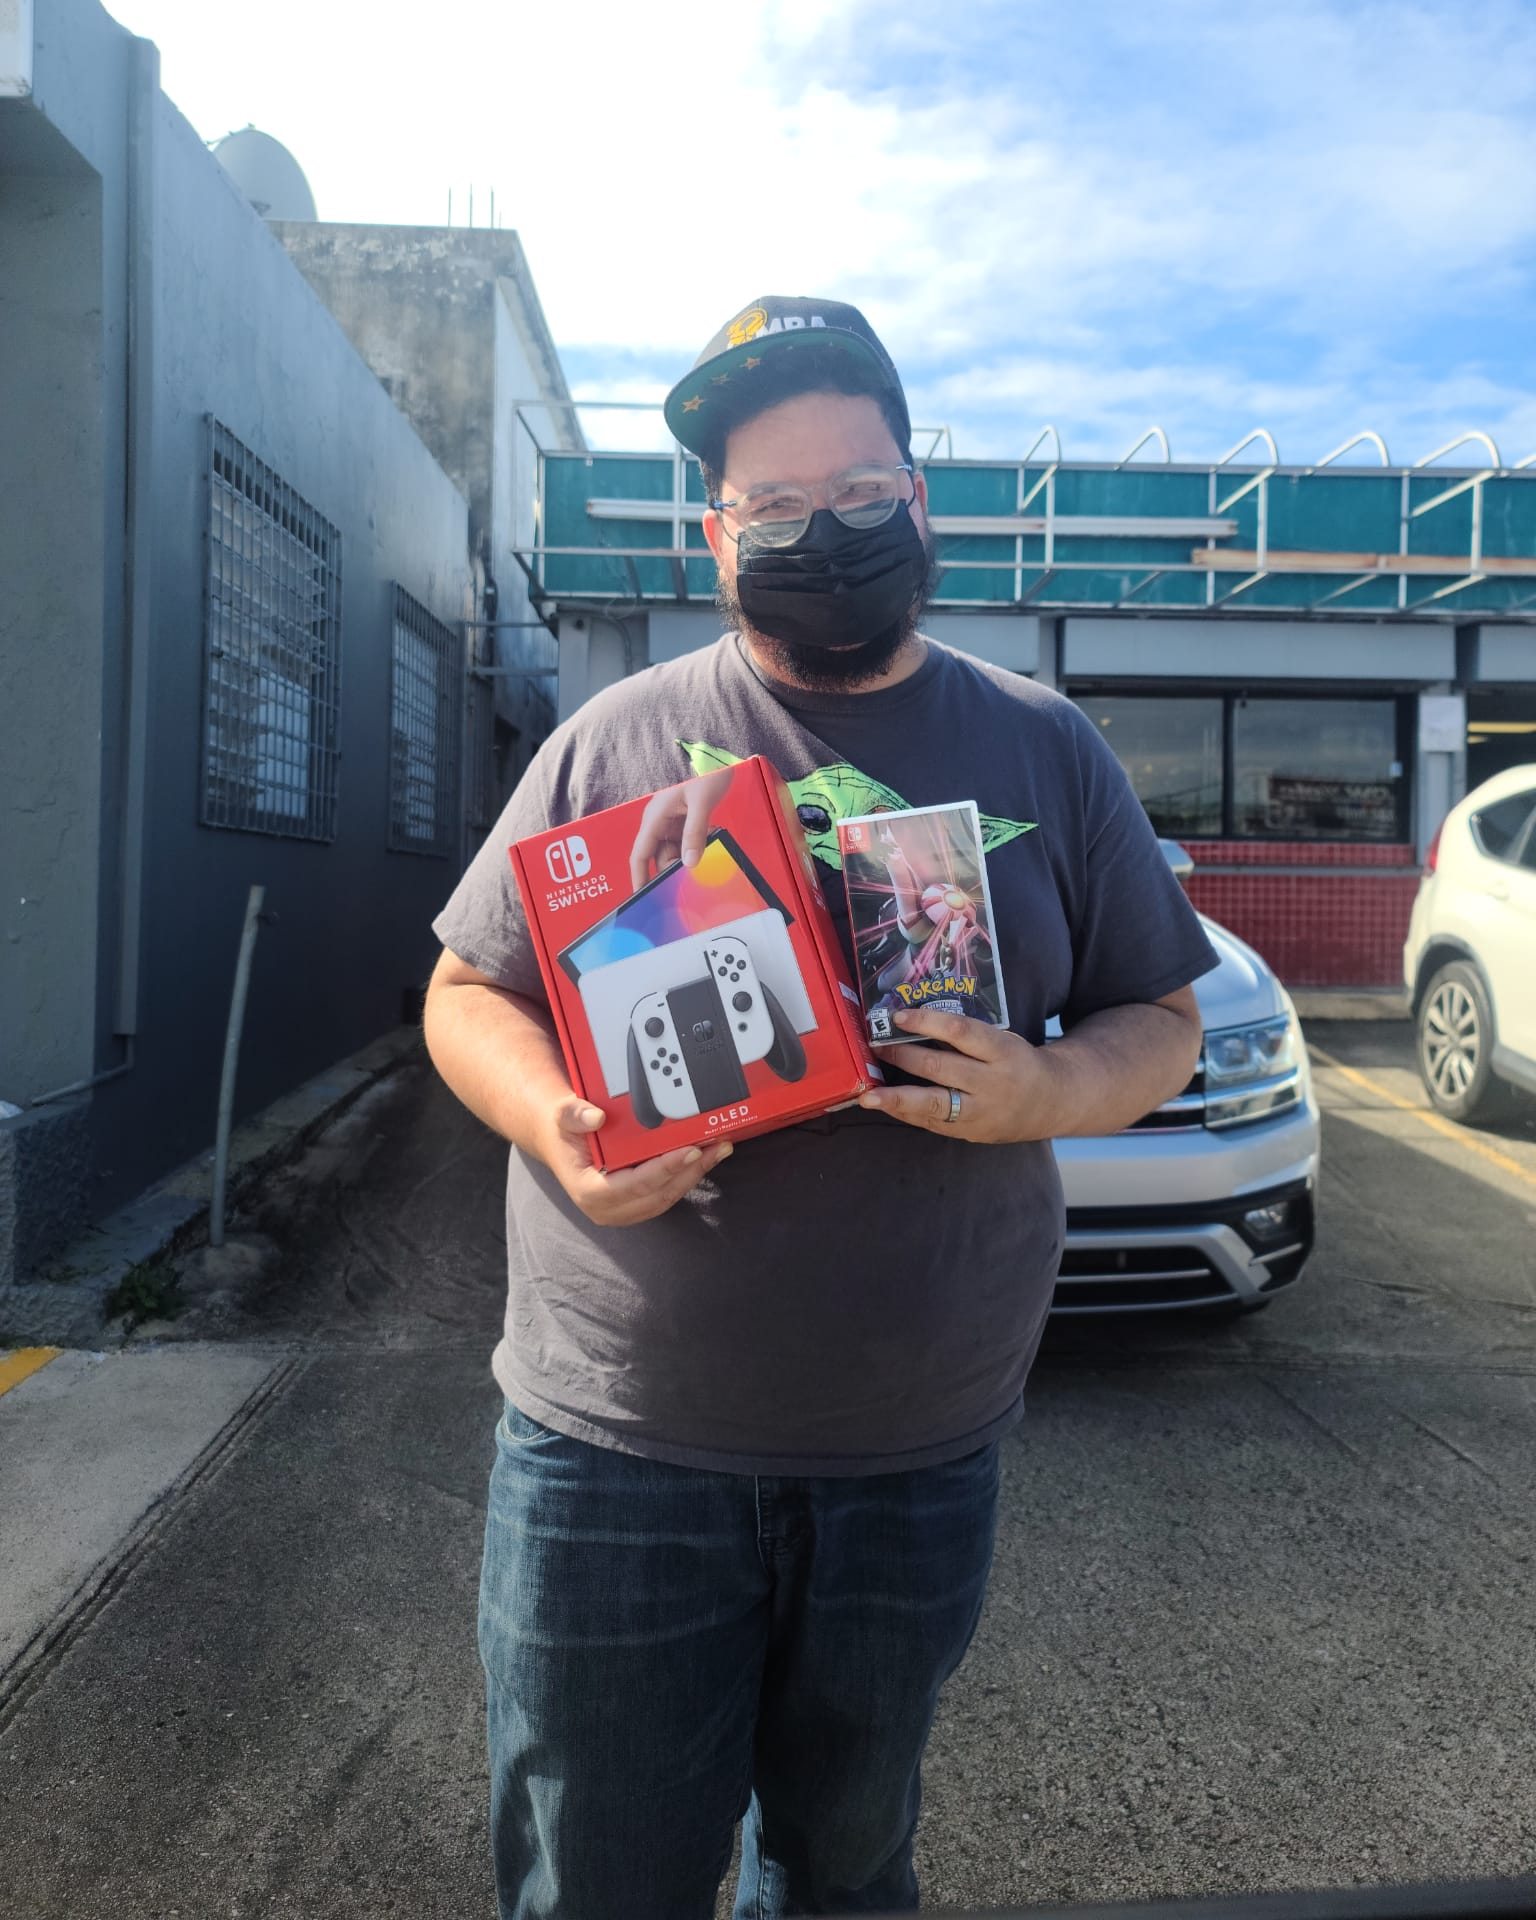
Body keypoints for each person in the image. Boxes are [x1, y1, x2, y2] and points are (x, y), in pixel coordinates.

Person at [424, 294, 1219, 1919]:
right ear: (716, 536)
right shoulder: (612, 743)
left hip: (916, 1452)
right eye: (775, 505)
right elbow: (463, 993)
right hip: (616, 1450)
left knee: (845, 1873)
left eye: (858, 493)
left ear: (919, 499)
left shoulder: (1045, 746)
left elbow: (1165, 1020)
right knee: (597, 1886)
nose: (824, 534)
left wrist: (1050, 1086)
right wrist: (561, 1124)